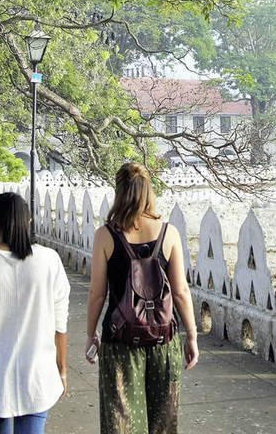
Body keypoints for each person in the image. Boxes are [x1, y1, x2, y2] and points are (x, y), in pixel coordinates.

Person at [85, 163, 198, 434]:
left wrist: (90, 336)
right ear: (149, 192)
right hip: (163, 340)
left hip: (120, 340)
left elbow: (97, 293)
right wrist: (192, 336)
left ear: (119, 192)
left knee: (121, 424)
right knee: (163, 423)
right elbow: (181, 291)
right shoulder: (168, 233)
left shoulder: (105, 235)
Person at [0, 192, 70, 434]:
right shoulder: (49, 260)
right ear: (28, 221)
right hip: (37, 375)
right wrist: (61, 370)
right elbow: (60, 324)